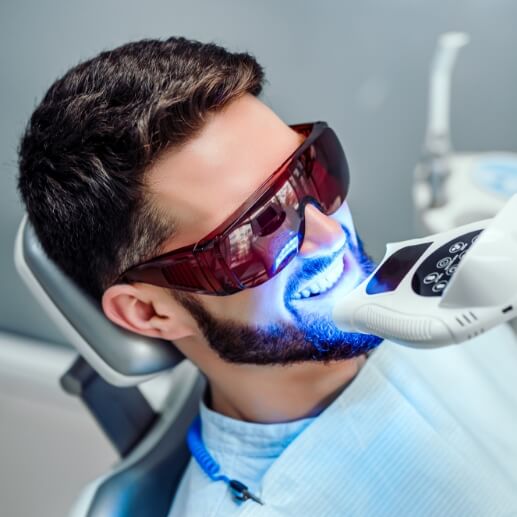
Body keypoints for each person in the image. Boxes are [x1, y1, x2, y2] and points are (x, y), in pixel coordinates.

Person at [17, 37, 517, 516]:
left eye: (311, 170)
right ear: (150, 312)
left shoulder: (428, 289)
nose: (330, 235)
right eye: (258, 228)